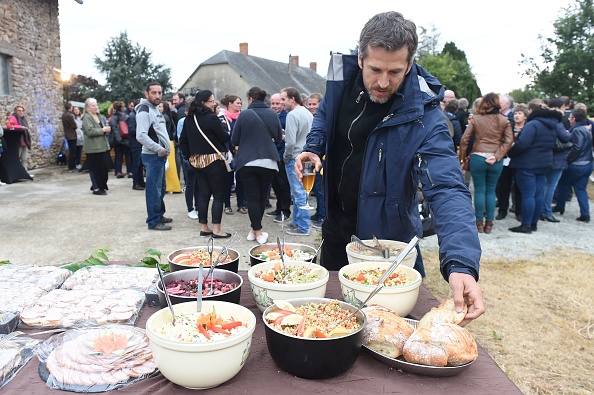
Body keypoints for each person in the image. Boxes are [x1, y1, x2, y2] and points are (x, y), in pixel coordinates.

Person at [295, 11, 484, 325]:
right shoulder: (340, 84)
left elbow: (449, 188)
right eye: (375, 69)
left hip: (385, 245)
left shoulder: (425, 116)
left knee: (380, 332)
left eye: (395, 72)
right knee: (327, 321)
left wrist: (462, 263)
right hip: (336, 229)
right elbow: (324, 118)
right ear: (360, 59)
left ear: (409, 65)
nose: (383, 82)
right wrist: (313, 147)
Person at [232, 87, 283, 244]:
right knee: (261, 197)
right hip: (268, 160)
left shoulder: (244, 114)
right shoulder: (273, 114)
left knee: (253, 198)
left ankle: (257, 231)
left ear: (250, 99)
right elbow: (278, 138)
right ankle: (256, 231)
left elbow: (235, 140)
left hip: (247, 161)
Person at [179, 90, 232, 238]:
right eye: (211, 101)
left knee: (203, 194)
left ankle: (204, 227)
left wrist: (190, 156)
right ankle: (217, 229)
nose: (214, 103)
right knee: (218, 195)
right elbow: (224, 137)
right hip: (214, 161)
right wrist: (223, 128)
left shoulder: (190, 119)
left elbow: (182, 141)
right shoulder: (211, 118)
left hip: (197, 162)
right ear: (204, 103)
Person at [459, 93, 513, 234]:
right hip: (495, 160)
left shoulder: (476, 119)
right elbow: (509, 141)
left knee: (479, 190)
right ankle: (489, 223)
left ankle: (478, 224)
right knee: (491, 191)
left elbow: (464, 140)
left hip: (478, 157)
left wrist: (462, 159)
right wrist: (496, 156)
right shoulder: (504, 120)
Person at [507, 99, 558, 234]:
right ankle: (534, 223)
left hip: (527, 164)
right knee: (538, 194)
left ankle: (526, 224)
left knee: (528, 194)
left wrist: (510, 152)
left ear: (531, 111)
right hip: (544, 162)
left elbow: (522, 144)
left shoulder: (532, 125)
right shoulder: (552, 125)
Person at [136, 81, 173, 231]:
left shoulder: (155, 109)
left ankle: (158, 215)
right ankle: (153, 221)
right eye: (154, 93)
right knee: (153, 189)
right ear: (146, 94)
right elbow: (141, 135)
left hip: (159, 156)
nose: (157, 96)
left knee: (161, 188)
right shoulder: (144, 110)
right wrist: (158, 148)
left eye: (159, 92)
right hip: (153, 156)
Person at [282, 86, 313, 236]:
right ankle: (297, 222)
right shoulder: (307, 113)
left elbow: (290, 142)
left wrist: (286, 157)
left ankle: (303, 227)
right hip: (307, 156)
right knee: (300, 192)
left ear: (292, 99)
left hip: (295, 157)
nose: (282, 103)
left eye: (284, 99)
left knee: (298, 192)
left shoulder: (292, 115)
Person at [553, 107, 593, 222]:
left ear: (574, 119)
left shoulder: (577, 130)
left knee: (563, 185)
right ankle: (585, 214)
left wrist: (567, 159)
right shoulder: (586, 130)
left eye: (570, 117)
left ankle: (560, 207)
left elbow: (576, 148)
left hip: (576, 164)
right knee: (580, 189)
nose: (569, 119)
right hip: (587, 163)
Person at [540, 98, 571, 223]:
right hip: (557, 158)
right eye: (563, 108)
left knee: (543, 186)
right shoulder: (558, 123)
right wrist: (568, 133)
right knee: (551, 186)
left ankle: (541, 210)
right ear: (558, 108)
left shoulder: (543, 121)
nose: (565, 111)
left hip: (545, 157)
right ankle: (546, 211)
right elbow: (565, 137)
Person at [495, 103, 528, 220]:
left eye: (519, 113)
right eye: (515, 113)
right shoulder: (509, 126)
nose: (517, 116)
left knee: (519, 188)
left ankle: (519, 211)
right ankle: (502, 210)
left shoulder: (527, 128)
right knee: (503, 186)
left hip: (520, 161)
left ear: (525, 116)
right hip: (506, 160)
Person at [264, 93, 292, 223]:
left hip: (282, 155)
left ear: (282, 104)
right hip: (271, 155)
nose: (275, 106)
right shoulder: (269, 116)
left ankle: (285, 211)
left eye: (277, 103)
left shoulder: (287, 118)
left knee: (283, 185)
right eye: (273, 104)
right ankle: (278, 208)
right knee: (275, 184)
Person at [220, 94, 247, 215]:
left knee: (241, 178)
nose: (240, 105)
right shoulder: (222, 118)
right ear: (229, 104)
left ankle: (241, 204)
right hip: (228, 152)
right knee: (227, 179)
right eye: (238, 103)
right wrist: (227, 151)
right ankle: (227, 205)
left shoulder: (243, 117)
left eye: (241, 103)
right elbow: (221, 137)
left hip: (242, 151)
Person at [81, 98, 111, 195]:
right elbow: (89, 131)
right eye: (93, 106)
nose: (96, 107)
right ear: (87, 108)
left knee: (104, 168)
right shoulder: (86, 117)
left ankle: (101, 184)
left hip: (102, 146)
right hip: (93, 148)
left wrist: (106, 130)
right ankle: (96, 188)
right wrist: (103, 130)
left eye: (96, 105)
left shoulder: (99, 116)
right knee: (95, 168)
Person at [307, 93, 326, 229]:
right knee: (316, 187)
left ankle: (323, 216)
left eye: (315, 104)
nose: (312, 107)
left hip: (323, 160)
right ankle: (319, 212)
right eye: (310, 104)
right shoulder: (312, 117)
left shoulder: (324, 119)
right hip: (312, 157)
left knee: (321, 189)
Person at [158, 101, 181, 193]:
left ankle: (170, 187)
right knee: (171, 166)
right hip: (170, 142)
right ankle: (173, 186)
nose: (158, 108)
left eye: (160, 107)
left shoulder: (163, 117)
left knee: (168, 166)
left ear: (165, 108)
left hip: (165, 143)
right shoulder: (168, 117)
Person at [7, 105, 32, 174]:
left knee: (24, 158)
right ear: (15, 111)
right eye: (19, 110)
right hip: (18, 141)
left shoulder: (23, 119)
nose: (21, 112)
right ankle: (15, 173)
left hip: (24, 141)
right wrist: (20, 127)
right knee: (16, 158)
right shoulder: (13, 118)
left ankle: (25, 173)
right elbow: (10, 126)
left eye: (22, 111)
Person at [110, 101, 132, 179]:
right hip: (126, 138)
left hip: (117, 140)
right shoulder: (126, 116)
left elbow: (113, 129)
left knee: (118, 156)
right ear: (122, 107)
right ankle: (130, 171)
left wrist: (118, 139)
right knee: (128, 155)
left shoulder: (113, 117)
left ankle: (118, 171)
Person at [127, 98, 145, 191]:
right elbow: (131, 130)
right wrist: (142, 129)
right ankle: (136, 183)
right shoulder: (132, 116)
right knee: (136, 164)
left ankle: (141, 182)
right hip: (135, 143)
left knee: (140, 164)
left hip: (140, 143)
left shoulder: (137, 115)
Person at [61, 102, 78, 172]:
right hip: (72, 135)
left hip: (67, 135)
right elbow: (75, 125)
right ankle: (72, 166)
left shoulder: (63, 115)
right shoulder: (70, 115)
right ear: (70, 107)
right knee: (73, 152)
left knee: (71, 151)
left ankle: (71, 166)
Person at [73, 106, 84, 170]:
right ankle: (75, 163)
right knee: (75, 150)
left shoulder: (81, 118)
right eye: (75, 110)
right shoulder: (73, 118)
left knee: (79, 150)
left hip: (81, 135)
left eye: (77, 109)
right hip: (75, 134)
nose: (76, 111)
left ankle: (78, 163)